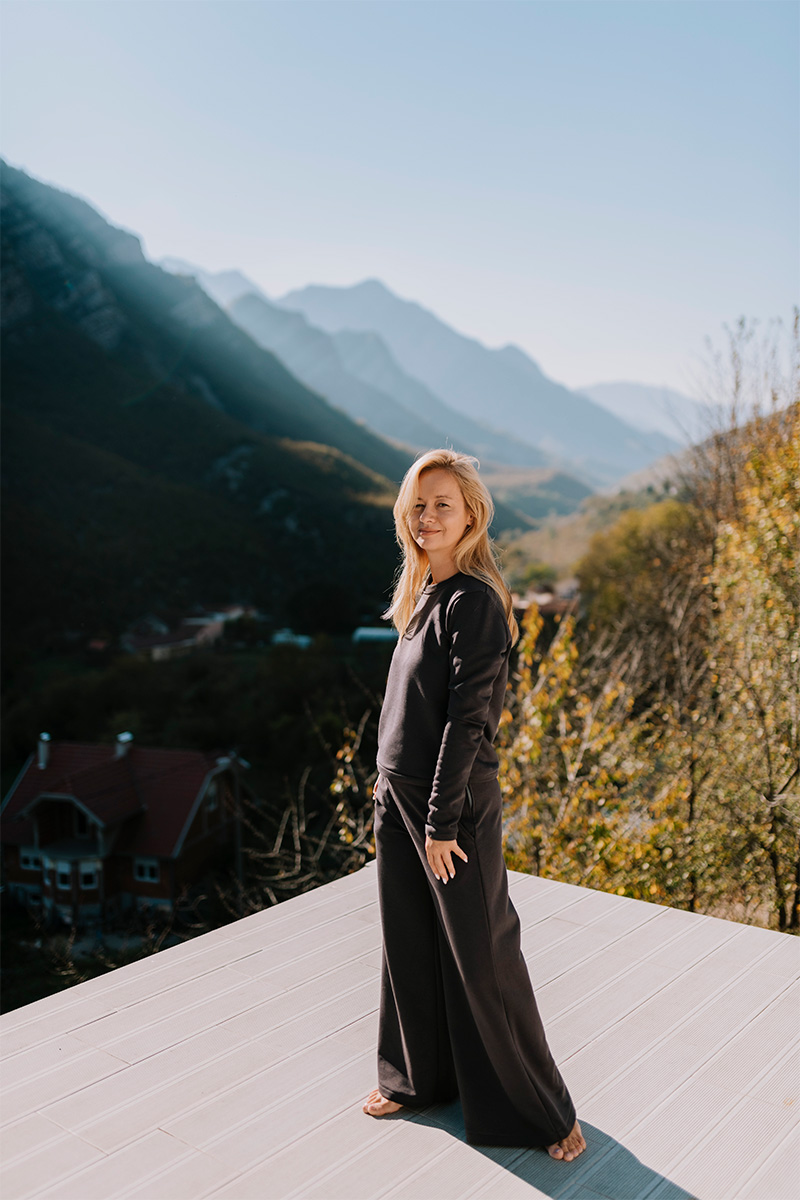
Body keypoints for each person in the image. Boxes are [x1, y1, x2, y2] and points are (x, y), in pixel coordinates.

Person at [361, 448, 585, 1162]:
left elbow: (467, 723)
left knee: (484, 955)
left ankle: (543, 1111)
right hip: (397, 799)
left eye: (443, 505)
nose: (428, 517)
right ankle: (415, 1080)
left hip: (448, 810)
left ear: (472, 515)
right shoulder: (423, 593)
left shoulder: (477, 602)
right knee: (409, 943)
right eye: (419, 505)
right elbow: (407, 706)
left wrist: (439, 821)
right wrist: (383, 783)